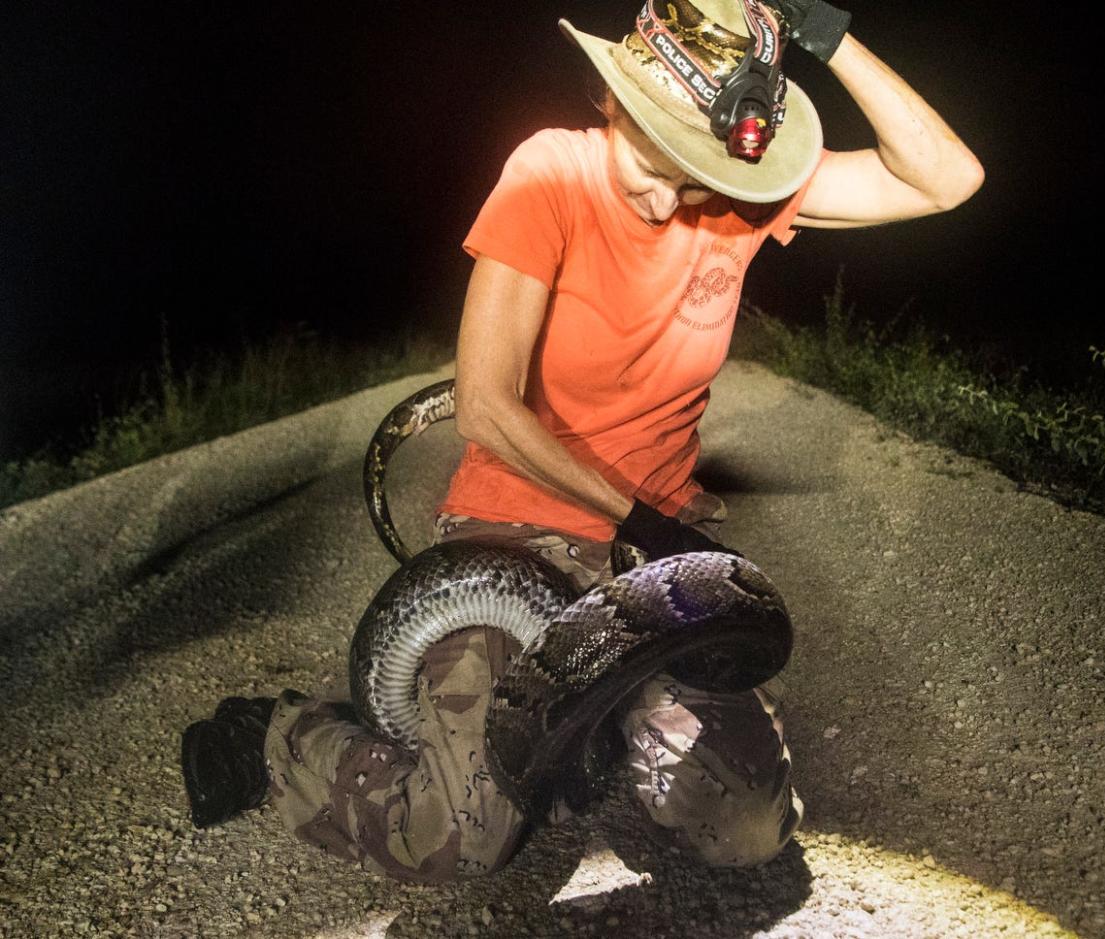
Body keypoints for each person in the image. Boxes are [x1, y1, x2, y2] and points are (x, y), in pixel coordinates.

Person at [180, 0, 982, 882]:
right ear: (614, 99)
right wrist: (639, 514)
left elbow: (946, 180)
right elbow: (485, 405)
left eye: (697, 171)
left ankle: (578, 729)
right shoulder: (549, 173)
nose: (670, 194)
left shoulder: (739, 192)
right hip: (513, 537)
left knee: (749, 828)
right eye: (654, 159)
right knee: (455, 839)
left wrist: (829, 39)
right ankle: (276, 732)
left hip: (647, 568)